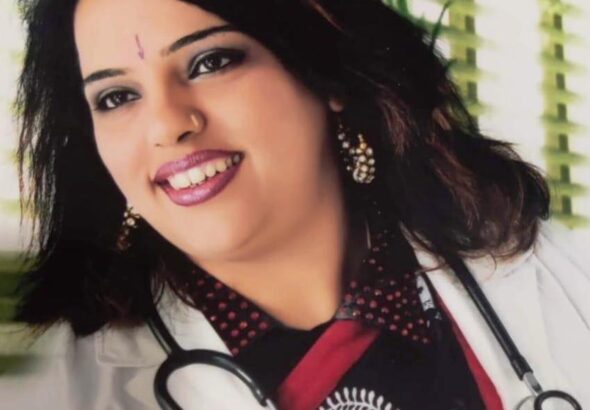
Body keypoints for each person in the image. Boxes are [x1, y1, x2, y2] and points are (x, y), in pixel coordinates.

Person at [1, 0, 589, 408]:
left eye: (210, 62)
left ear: (326, 75)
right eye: (116, 96)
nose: (166, 125)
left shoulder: (566, 278)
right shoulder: (53, 390)